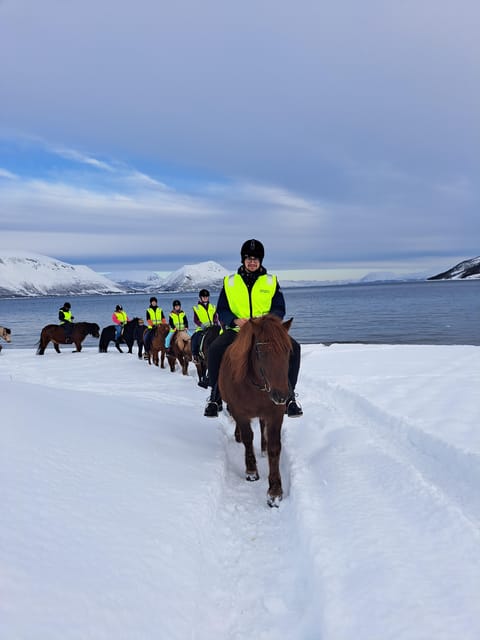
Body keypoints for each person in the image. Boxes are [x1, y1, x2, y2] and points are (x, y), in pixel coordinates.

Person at [204, 239, 303, 418]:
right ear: (243, 260)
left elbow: (279, 308)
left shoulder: (271, 281)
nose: (252, 262)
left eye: (256, 259)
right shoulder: (230, 282)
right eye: (249, 258)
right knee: (215, 349)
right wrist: (234, 320)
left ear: (261, 261)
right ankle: (215, 396)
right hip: (238, 330)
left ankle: (290, 397)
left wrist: (267, 322)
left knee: (294, 348)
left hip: (265, 331)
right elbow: (222, 309)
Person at [191, 289, 220, 363]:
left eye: (206, 297)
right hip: (202, 328)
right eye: (204, 297)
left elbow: (215, 317)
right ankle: (195, 355)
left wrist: (216, 322)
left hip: (212, 327)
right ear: (200, 298)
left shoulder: (212, 307)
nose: (205, 298)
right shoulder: (196, 308)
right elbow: (195, 319)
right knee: (195, 338)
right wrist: (201, 325)